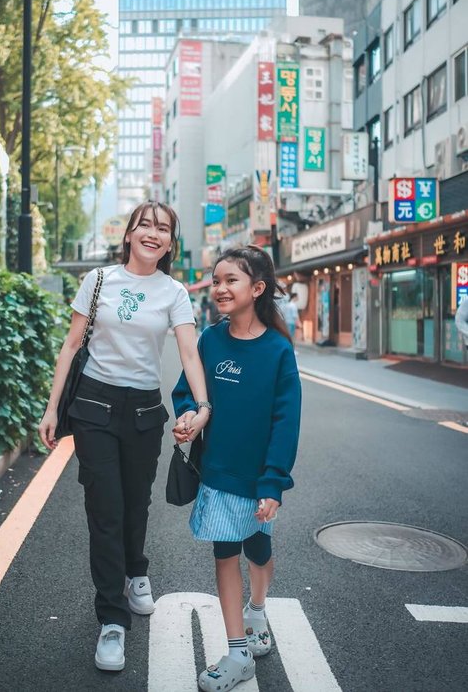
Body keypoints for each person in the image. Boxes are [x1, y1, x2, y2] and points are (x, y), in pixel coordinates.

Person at [38, 200, 210, 673]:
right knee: (105, 510)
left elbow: (190, 354)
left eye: (164, 229)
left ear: (170, 242)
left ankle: (137, 571)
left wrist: (203, 405)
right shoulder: (98, 281)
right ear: (130, 232)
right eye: (146, 225)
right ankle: (112, 619)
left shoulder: (174, 291)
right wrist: (53, 409)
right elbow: (71, 346)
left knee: (136, 503)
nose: (153, 234)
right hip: (93, 405)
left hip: (142, 409)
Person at [172, 245, 302, 692]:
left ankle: (258, 610)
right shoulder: (210, 339)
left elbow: (286, 424)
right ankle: (238, 652)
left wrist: (272, 484)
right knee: (224, 554)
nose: (220, 287)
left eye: (232, 280)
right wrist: (188, 415)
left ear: (257, 288)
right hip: (219, 473)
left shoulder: (279, 350)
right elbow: (187, 390)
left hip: (260, 477)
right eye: (217, 279)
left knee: (259, 552)